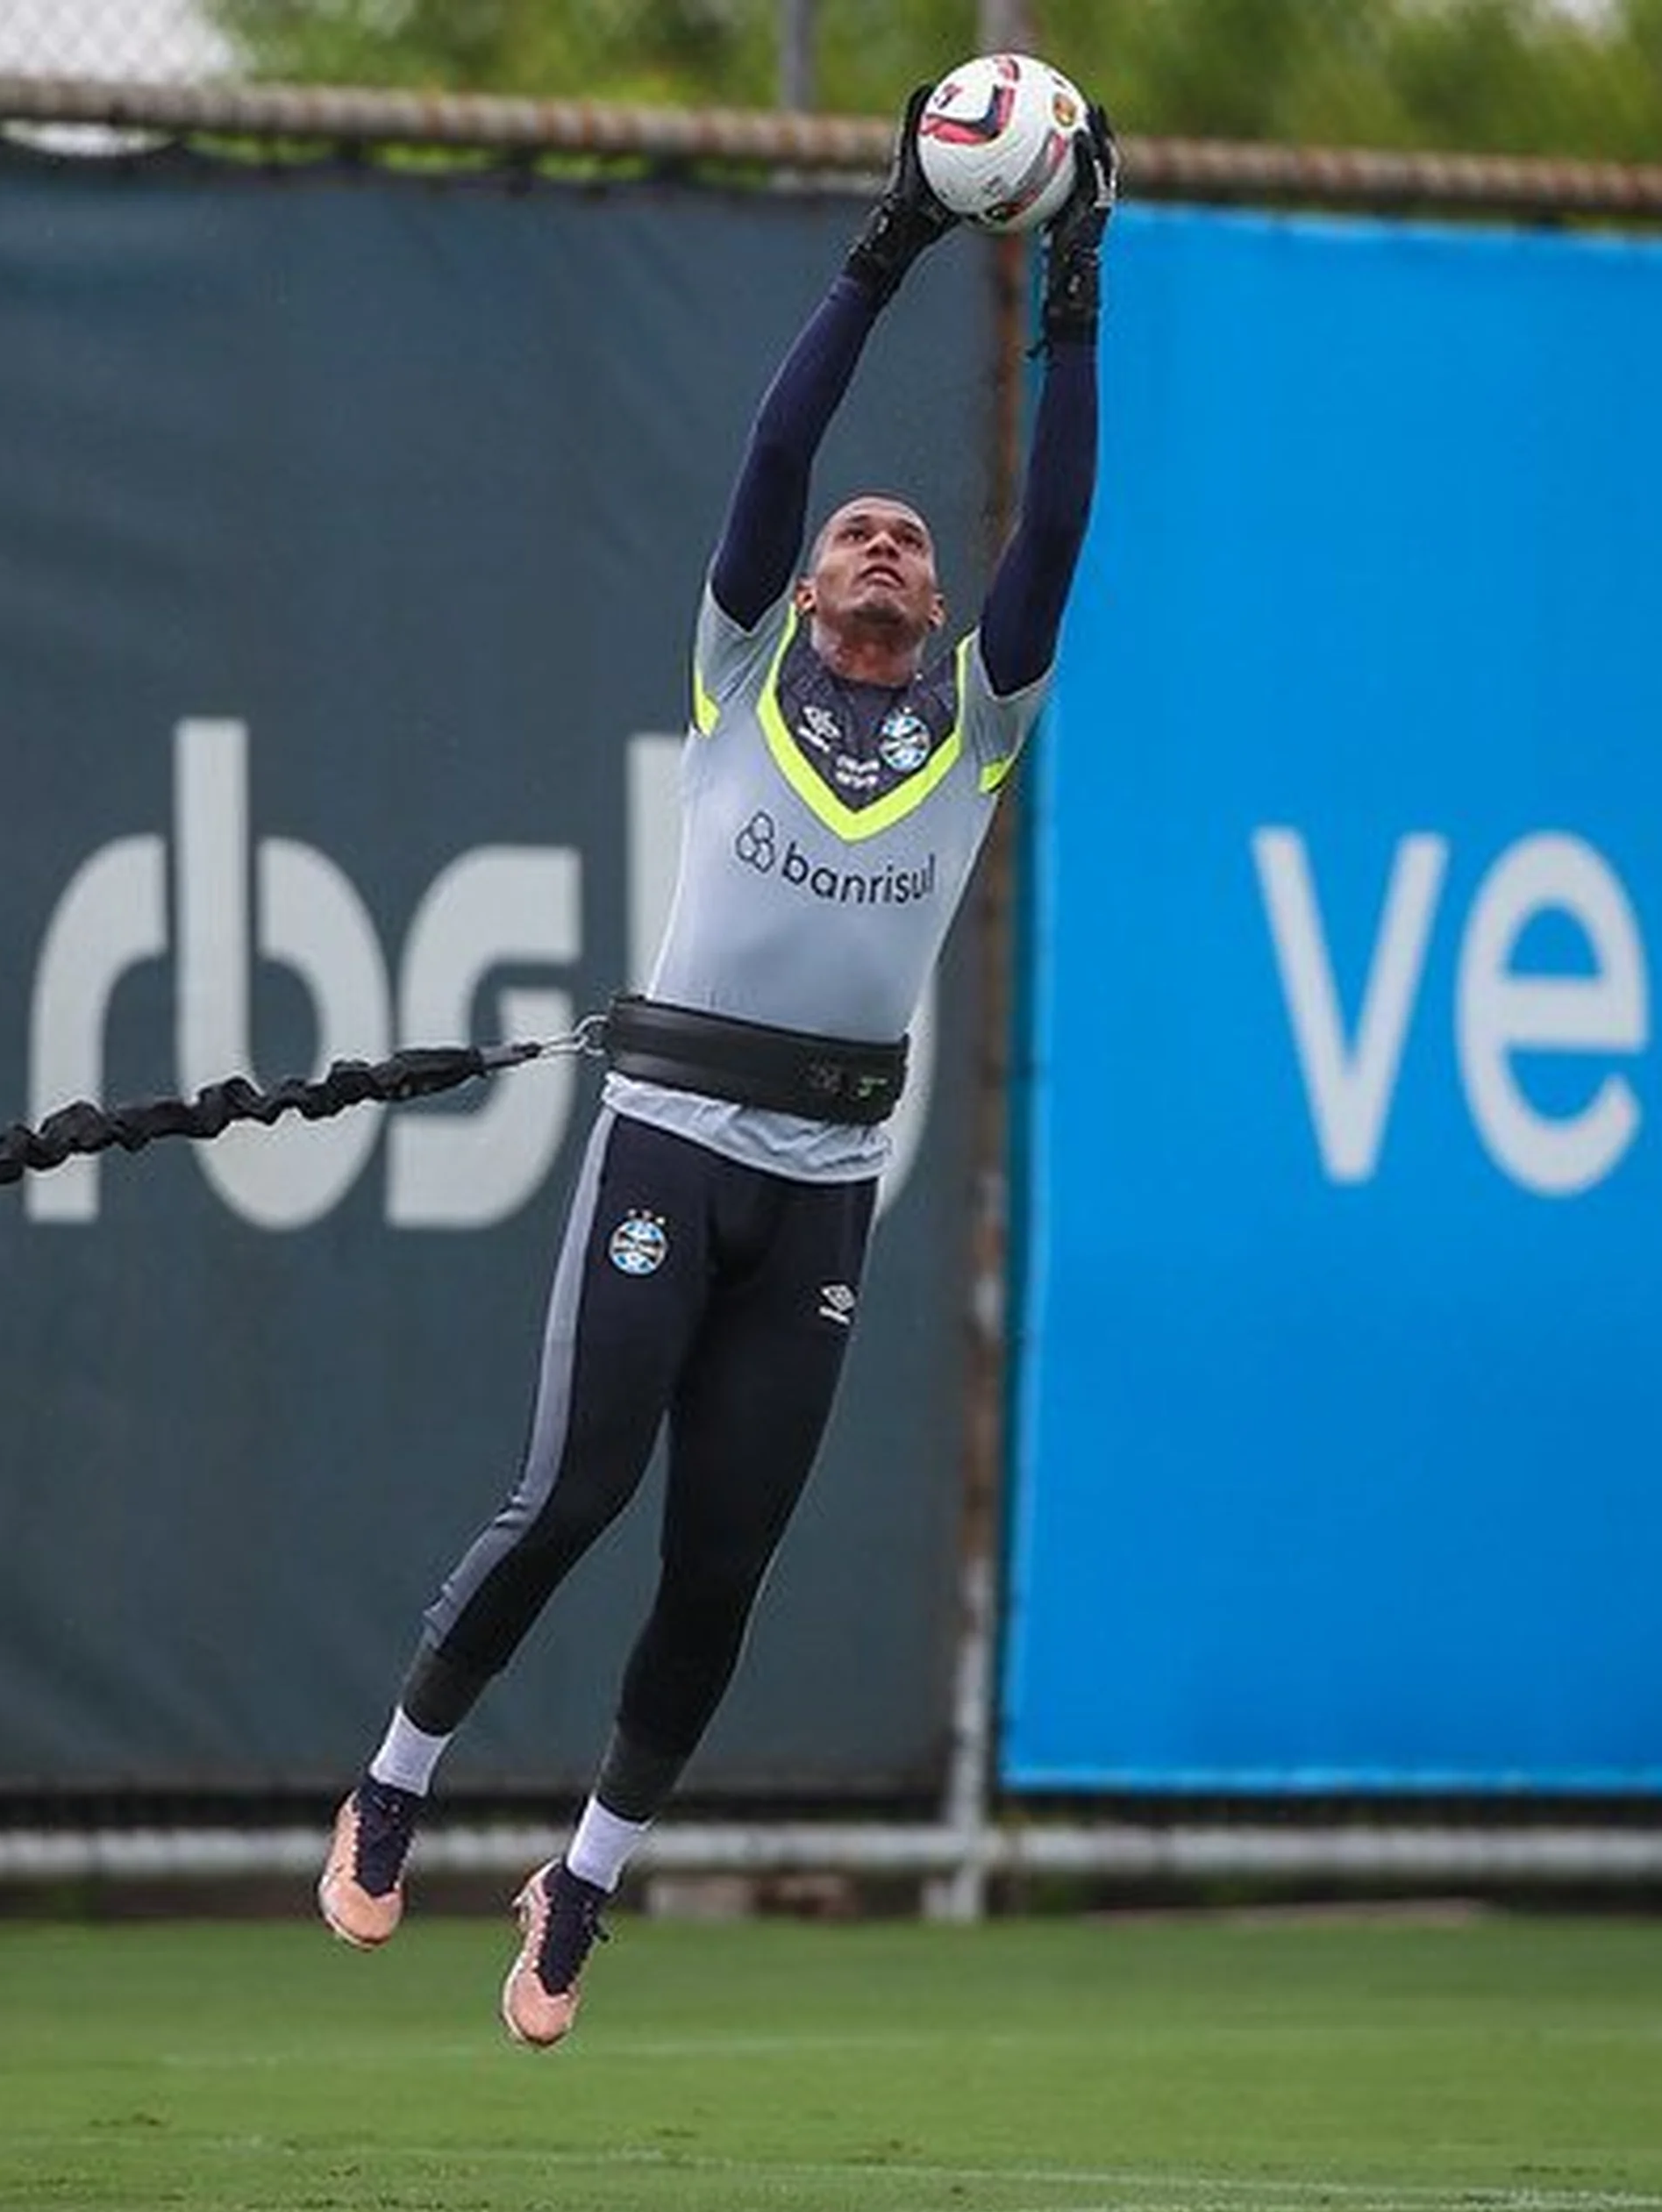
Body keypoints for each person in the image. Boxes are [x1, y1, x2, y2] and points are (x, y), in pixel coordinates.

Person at [319, 84, 1115, 2048]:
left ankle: (583, 1880)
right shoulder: (738, 677)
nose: (879, 542)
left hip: (820, 1193)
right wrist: (890, 246)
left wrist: (1076, 297)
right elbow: (775, 452)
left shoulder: (979, 729)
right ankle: (397, 1782)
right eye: (856, 532)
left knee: (723, 1562)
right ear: (807, 585)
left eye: (907, 540)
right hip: (669, 1140)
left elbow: (1056, 527)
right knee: (574, 1490)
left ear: (935, 606)